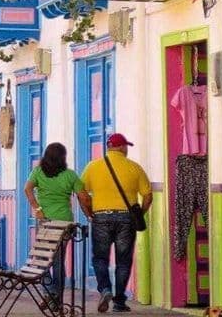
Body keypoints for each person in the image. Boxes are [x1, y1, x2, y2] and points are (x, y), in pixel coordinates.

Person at [81, 133, 152, 313]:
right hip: (126, 219)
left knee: (100, 258)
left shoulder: (92, 167)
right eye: (126, 146)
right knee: (123, 261)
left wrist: (89, 213)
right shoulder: (134, 167)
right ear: (121, 147)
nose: (126, 149)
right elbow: (148, 196)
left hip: (101, 217)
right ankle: (119, 301)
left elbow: (82, 195)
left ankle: (105, 289)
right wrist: (139, 213)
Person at [24, 142, 92, 306]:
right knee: (58, 261)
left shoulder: (38, 172)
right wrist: (89, 213)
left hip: (46, 222)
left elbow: (27, 189)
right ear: (63, 157)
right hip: (64, 222)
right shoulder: (70, 175)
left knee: (41, 259)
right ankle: (56, 298)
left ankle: (49, 293)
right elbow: (83, 197)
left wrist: (37, 208)